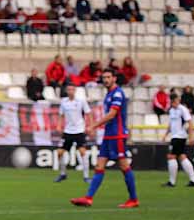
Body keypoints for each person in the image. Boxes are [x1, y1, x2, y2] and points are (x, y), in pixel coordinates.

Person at [72, 68, 139, 209]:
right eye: (104, 77)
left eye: (108, 77)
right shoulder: (109, 94)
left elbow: (112, 115)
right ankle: (88, 198)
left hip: (117, 135)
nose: (106, 80)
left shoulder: (118, 94)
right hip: (109, 136)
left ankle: (133, 199)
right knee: (99, 166)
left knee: (124, 166)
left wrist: (93, 126)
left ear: (114, 78)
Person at [55, 83, 91, 183]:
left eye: (72, 89)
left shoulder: (81, 101)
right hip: (68, 131)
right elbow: (61, 115)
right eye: (69, 89)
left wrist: (90, 126)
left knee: (83, 152)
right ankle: (63, 174)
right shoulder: (64, 102)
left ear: (75, 91)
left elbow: (88, 113)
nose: (70, 91)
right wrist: (59, 125)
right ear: (67, 91)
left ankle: (86, 176)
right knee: (59, 153)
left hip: (79, 130)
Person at [162, 92, 194, 189]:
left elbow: (190, 123)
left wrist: (191, 137)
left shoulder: (183, 109)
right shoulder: (171, 111)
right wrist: (166, 134)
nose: (177, 102)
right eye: (175, 100)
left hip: (180, 137)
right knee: (182, 156)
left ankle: (172, 182)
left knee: (171, 156)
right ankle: (193, 180)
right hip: (175, 136)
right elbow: (171, 124)